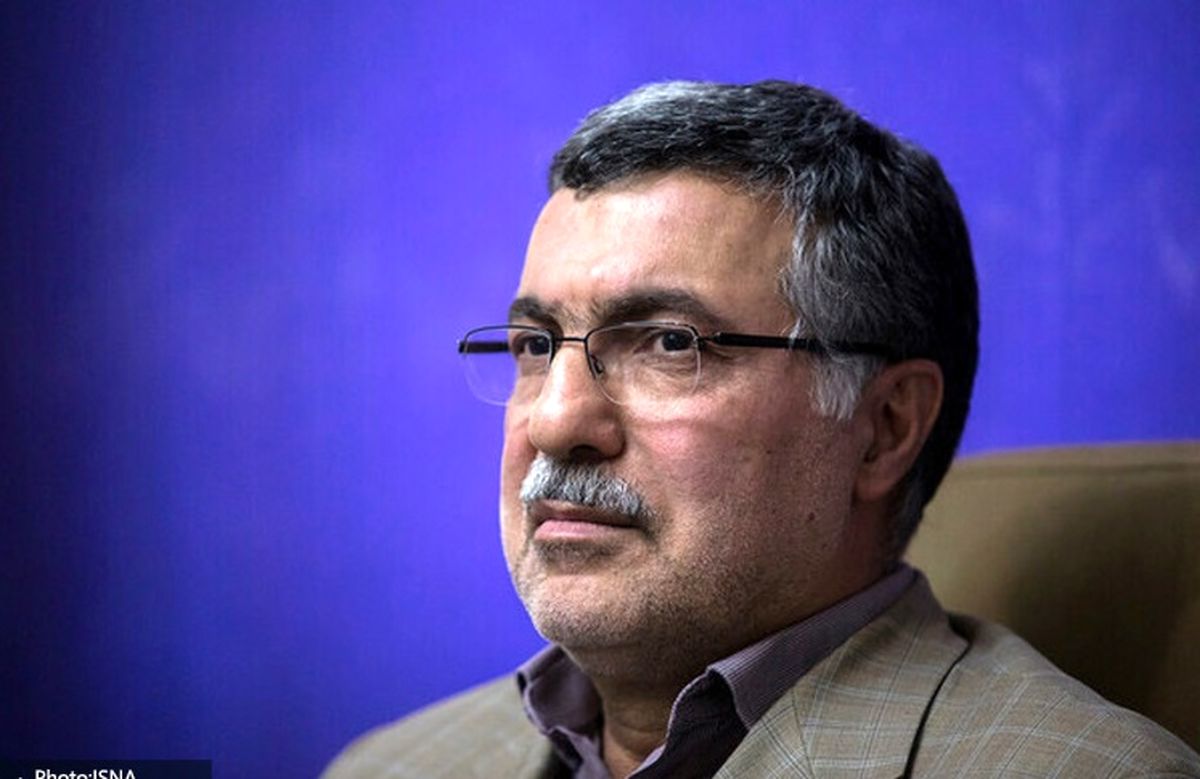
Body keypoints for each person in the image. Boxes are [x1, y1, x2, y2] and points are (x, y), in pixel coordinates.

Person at [324, 80, 1200, 778]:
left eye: (670, 342)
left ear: (884, 427)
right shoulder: (390, 765)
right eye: (536, 345)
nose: (556, 421)